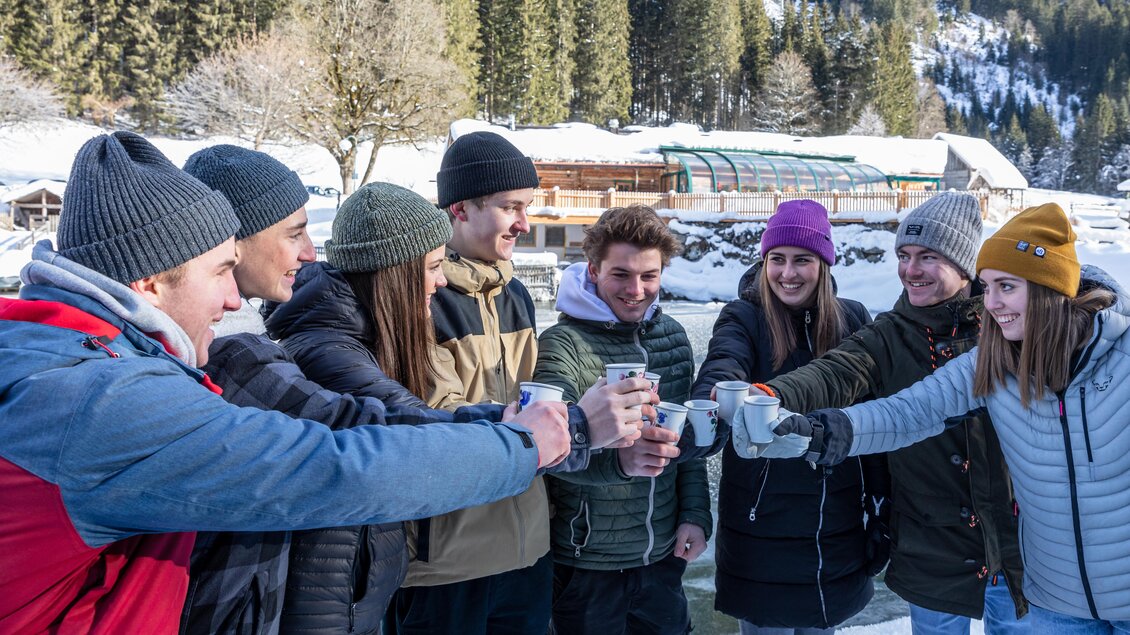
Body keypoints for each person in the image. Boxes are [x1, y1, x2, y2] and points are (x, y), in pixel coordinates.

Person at [0, 132, 576, 633]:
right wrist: (519, 444)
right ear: (150, 281)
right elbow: (332, 466)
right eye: (221, 271)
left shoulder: (74, 360)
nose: (231, 299)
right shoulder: (101, 401)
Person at [261, 182, 653, 634]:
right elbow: (417, 427)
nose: (441, 279)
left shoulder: (364, 328)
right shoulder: (327, 346)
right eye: (432, 266)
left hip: (497, 550)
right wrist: (574, 427)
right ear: (396, 274)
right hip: (417, 568)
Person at [774, 202, 1129, 630]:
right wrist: (813, 425)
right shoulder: (991, 359)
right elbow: (905, 412)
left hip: (1055, 576)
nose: (993, 303)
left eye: (1006, 287)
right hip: (1041, 594)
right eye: (904, 256)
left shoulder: (1106, 354)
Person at [392, 131, 656, 634]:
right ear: (460, 208)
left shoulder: (516, 294)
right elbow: (433, 419)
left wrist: (613, 412)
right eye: (511, 207)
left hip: (529, 550)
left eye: (527, 206)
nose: (525, 223)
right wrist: (579, 422)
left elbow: (541, 401)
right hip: (446, 562)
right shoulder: (421, 295)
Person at [756, 192, 1028, 632]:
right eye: (903, 255)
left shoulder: (1008, 327)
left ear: (963, 266)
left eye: (927, 257)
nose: (910, 270)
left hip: (1017, 549)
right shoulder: (888, 334)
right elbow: (833, 372)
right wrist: (768, 393)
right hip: (930, 548)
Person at [691, 200, 884, 634]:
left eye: (803, 260)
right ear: (764, 262)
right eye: (777, 259)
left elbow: (874, 414)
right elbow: (723, 362)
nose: (788, 273)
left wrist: (881, 508)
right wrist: (714, 395)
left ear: (825, 264)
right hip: (762, 529)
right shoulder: (744, 316)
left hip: (836, 526)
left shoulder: (853, 319)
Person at [533, 205, 712, 634]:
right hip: (586, 566)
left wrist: (695, 513)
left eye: (649, 276)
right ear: (592, 270)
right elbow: (546, 451)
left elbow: (685, 440)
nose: (636, 290)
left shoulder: (673, 338)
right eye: (621, 275)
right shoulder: (563, 343)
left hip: (662, 558)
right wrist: (619, 463)